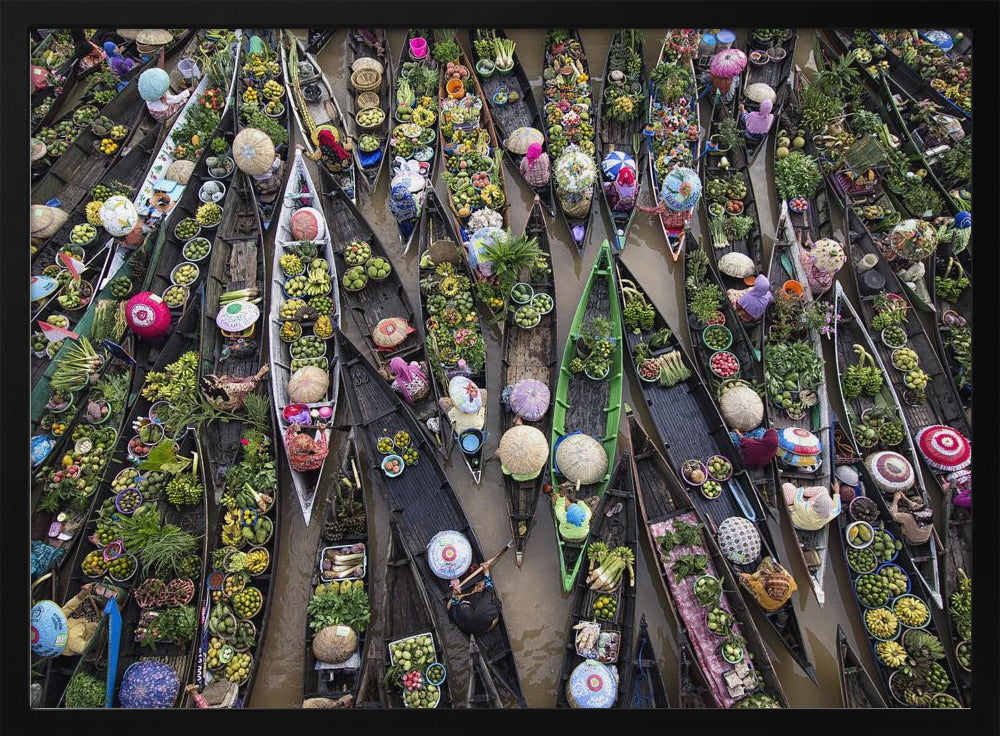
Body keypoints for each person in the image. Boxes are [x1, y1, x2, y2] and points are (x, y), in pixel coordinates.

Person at [447, 562, 500, 635]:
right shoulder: (484, 599)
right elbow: (489, 589)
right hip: (478, 627)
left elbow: (453, 603)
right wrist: (486, 572)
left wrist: (454, 594)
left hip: (469, 624)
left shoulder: (459, 608)